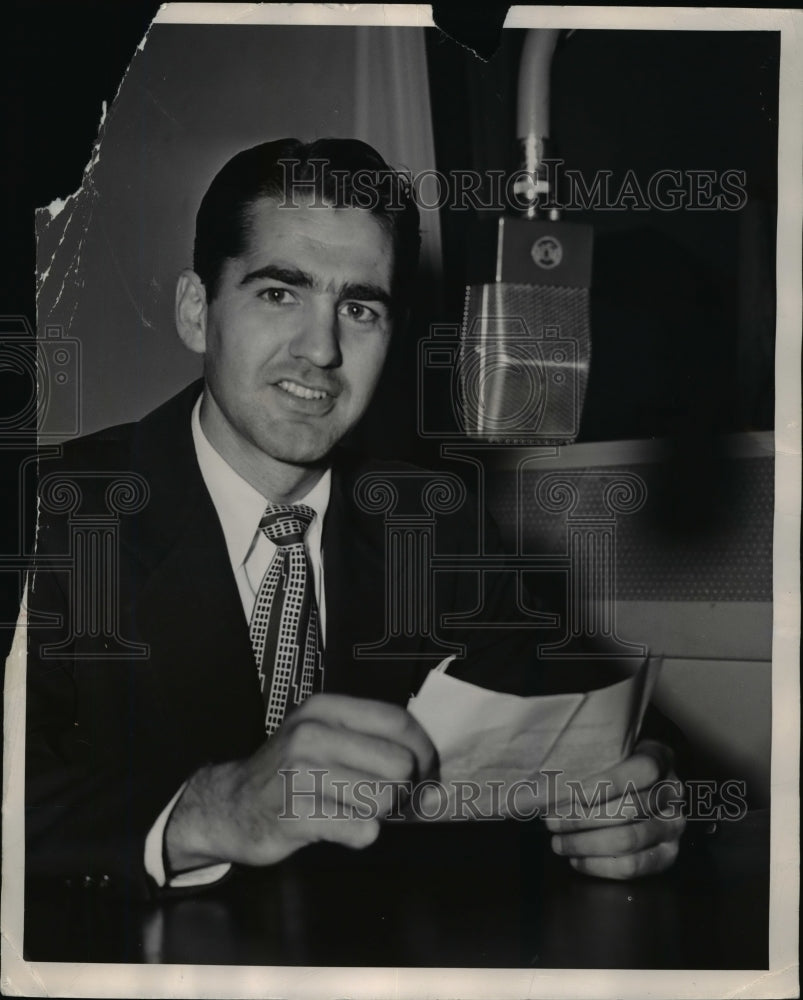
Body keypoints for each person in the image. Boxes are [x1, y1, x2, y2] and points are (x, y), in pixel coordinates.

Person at [26, 137, 685, 901]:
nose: (322, 349)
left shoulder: (441, 528)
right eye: (280, 293)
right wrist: (203, 812)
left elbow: (579, 737)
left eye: (359, 308)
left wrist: (640, 801)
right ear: (196, 313)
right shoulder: (53, 516)